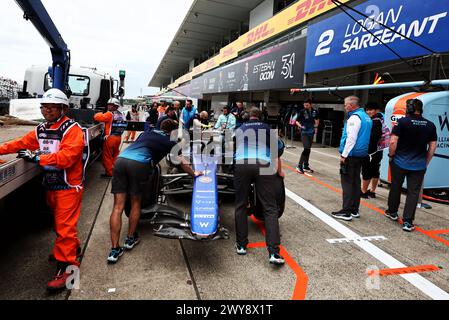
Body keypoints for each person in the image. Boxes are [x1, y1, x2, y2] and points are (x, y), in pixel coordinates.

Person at [0, 89, 86, 291]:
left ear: (63, 108)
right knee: (60, 225)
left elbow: (67, 158)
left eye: (52, 106)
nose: (47, 110)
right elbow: (20, 143)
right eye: (44, 106)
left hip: (68, 187)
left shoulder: (72, 130)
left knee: (64, 228)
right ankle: (71, 248)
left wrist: (38, 158)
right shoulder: (42, 129)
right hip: (52, 186)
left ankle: (68, 269)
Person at [107, 119, 202, 263]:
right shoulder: (170, 142)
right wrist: (194, 173)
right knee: (135, 202)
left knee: (118, 207)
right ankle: (130, 239)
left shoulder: (145, 133)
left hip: (121, 160)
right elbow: (182, 162)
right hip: (138, 164)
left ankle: (114, 250)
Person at [234, 107, 286, 265]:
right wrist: (280, 172)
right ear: (260, 116)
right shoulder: (268, 129)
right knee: (270, 208)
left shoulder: (239, 128)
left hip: (242, 164)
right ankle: (274, 253)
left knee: (240, 205)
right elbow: (276, 152)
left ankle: (241, 245)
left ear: (248, 117)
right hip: (263, 164)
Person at [385, 99, 437, 232]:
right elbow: (432, 147)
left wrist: (391, 156)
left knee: (395, 187)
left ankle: (392, 212)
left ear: (409, 108)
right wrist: (426, 162)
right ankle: (408, 222)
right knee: (413, 193)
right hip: (419, 165)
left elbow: (393, 142)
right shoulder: (430, 125)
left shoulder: (402, 122)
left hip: (399, 162)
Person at [332, 96, 372, 221]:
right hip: (361, 154)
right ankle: (354, 209)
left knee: (348, 183)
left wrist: (344, 155)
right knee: (355, 182)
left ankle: (346, 211)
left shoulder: (354, 118)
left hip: (351, 155)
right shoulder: (366, 117)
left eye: (345, 105)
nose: (344, 107)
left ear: (351, 105)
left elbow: (351, 138)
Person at [94, 98, 127, 178]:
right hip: (118, 138)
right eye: (108, 104)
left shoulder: (109, 114)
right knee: (115, 155)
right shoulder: (121, 114)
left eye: (110, 105)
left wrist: (98, 113)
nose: (109, 106)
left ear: (115, 106)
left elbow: (98, 118)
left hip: (110, 138)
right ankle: (116, 170)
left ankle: (109, 173)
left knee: (107, 156)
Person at [361, 103, 385, 198]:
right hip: (379, 149)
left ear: (376, 110)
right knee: (375, 170)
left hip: (372, 151)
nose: (369, 112)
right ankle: (372, 191)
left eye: (371, 110)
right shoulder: (381, 118)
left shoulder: (375, 121)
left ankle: (363, 192)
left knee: (367, 170)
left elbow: (374, 137)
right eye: (367, 110)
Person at [295, 99, 320, 174]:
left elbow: (317, 119)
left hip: (311, 132)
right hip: (304, 132)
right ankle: (299, 166)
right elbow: (296, 121)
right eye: (304, 105)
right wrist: (301, 126)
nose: (305, 106)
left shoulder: (315, 111)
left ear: (310, 105)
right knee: (306, 148)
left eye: (307, 105)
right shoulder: (302, 111)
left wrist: (316, 127)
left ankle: (305, 166)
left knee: (308, 149)